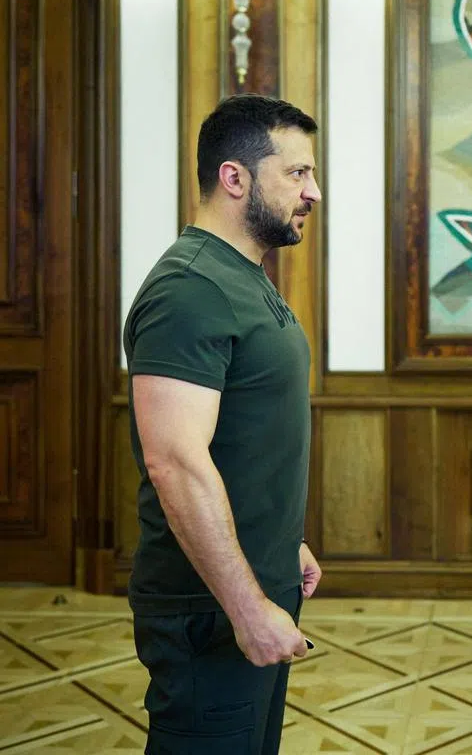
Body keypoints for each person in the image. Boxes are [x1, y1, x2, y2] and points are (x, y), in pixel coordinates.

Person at [124, 93, 323, 754]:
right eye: (296, 173)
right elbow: (174, 462)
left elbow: (241, 435)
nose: (313, 191)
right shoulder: (190, 289)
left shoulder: (243, 277)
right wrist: (246, 608)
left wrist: (280, 543)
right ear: (234, 177)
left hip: (252, 581)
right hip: (208, 609)